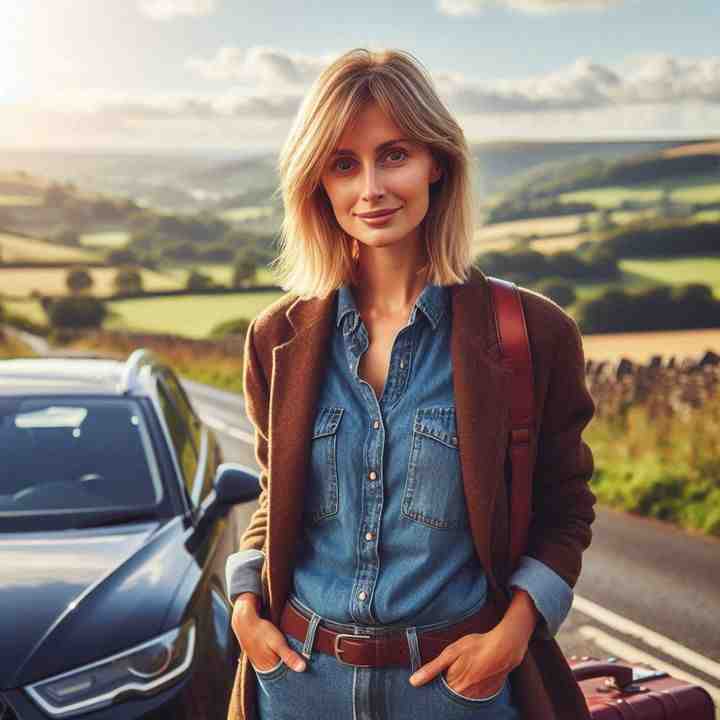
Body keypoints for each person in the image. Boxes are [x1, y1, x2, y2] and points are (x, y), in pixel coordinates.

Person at [225, 48, 596, 720]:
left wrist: (510, 641)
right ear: (318, 184)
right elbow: (273, 497)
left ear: (437, 163)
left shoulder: (531, 335)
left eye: (393, 154)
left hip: (458, 691)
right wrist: (246, 608)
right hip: (301, 683)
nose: (371, 188)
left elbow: (565, 508)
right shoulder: (275, 338)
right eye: (343, 163)